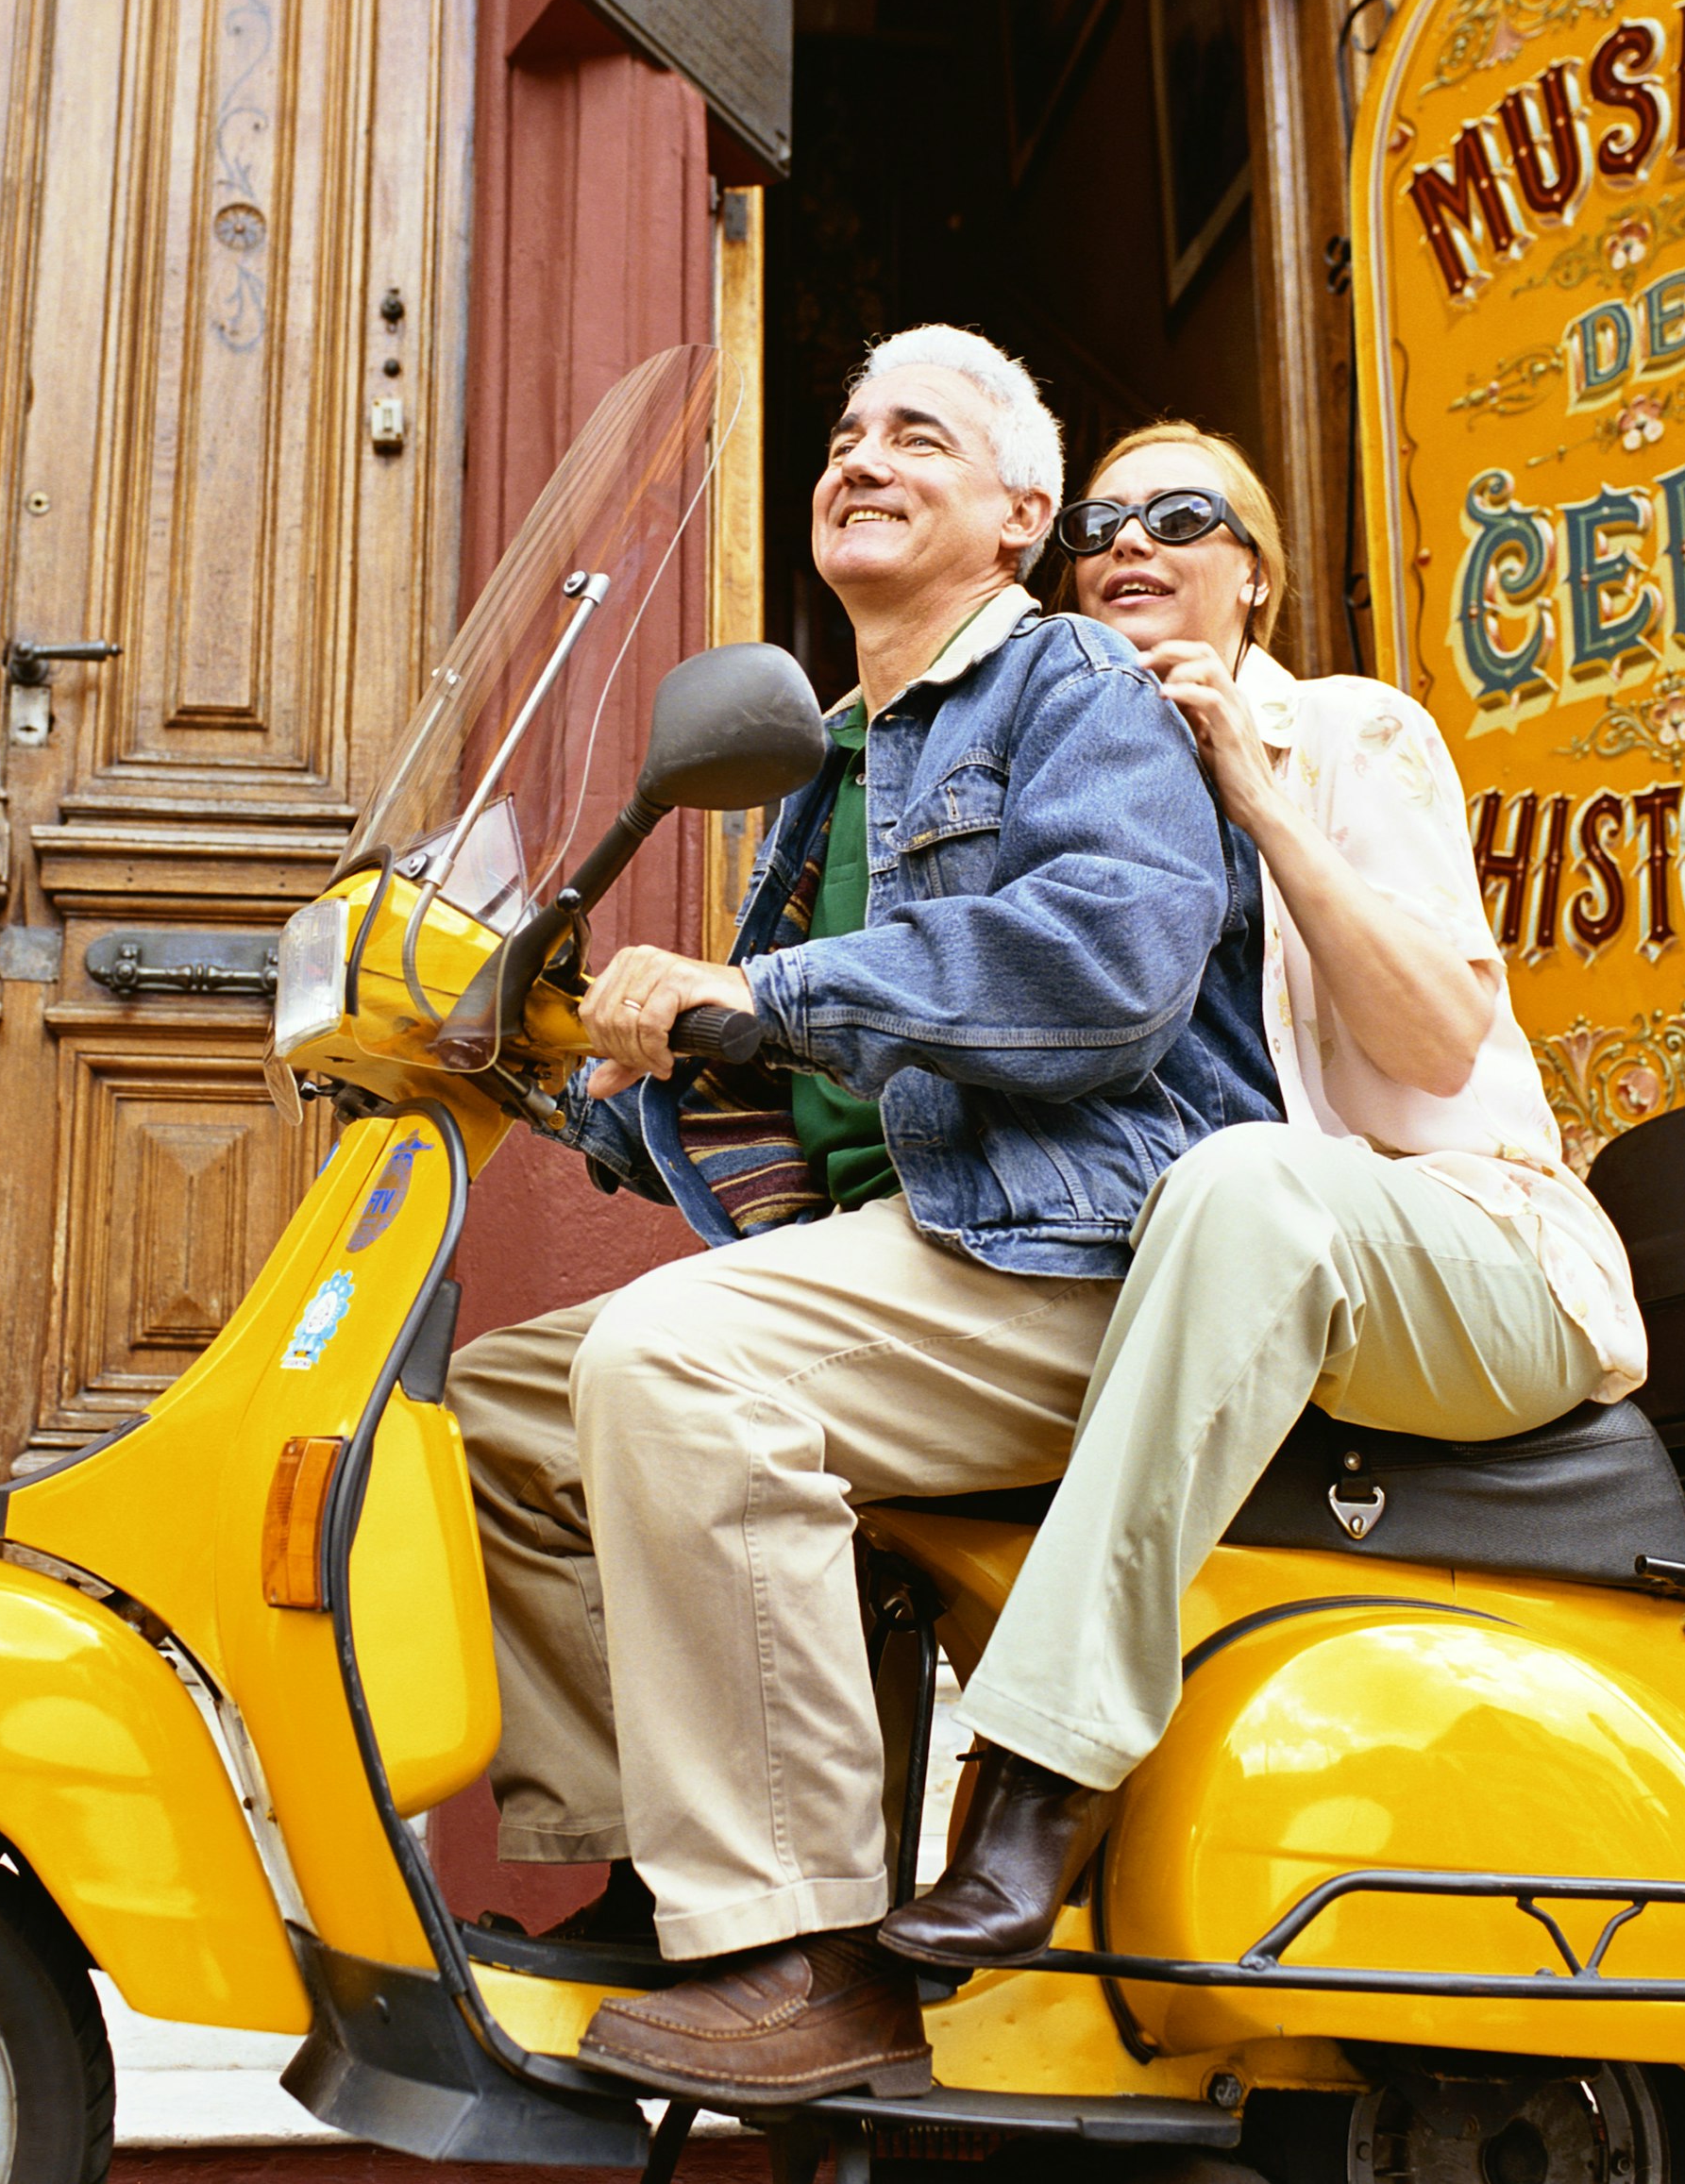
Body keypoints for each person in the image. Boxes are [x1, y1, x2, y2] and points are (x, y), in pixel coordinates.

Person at [447, 332, 1285, 2105]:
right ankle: (663, 1887)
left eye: (920, 435)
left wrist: (771, 991)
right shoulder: (834, 758)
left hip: (1076, 1255)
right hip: (920, 1260)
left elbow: (1113, 968)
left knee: (679, 1365)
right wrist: (578, 1070)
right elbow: (805, 1074)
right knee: (497, 1413)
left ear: (1020, 516)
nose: (862, 456)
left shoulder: (1073, 684)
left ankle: (809, 1953)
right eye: (842, 433)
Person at [875, 420, 1643, 1971]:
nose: (1128, 542)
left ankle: (1037, 1779)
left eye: (1182, 514)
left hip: (1477, 1243)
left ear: (1257, 583)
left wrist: (1260, 797)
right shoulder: (1056, 774)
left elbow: (1433, 1041)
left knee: (1243, 1182)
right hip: (1242, 1261)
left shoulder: (1353, 732)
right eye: (1097, 521)